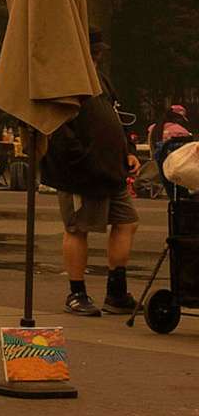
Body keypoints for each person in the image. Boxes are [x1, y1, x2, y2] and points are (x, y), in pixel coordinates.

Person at [62, 30, 136, 317]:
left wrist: (127, 150)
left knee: (127, 222)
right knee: (78, 228)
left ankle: (116, 291)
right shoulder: (68, 79)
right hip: (82, 170)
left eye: (98, 52)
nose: (97, 56)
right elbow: (59, 125)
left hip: (111, 167)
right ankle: (76, 292)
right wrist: (79, 159)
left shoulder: (100, 79)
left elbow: (115, 115)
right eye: (93, 52)